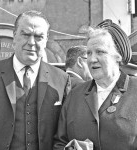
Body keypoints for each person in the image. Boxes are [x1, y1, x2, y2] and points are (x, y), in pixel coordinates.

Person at [0, 10, 71, 150]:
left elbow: (64, 133)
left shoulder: (61, 79)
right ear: (14, 36)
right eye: (25, 34)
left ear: (45, 40)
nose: (31, 42)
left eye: (38, 37)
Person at [53, 19, 137, 150]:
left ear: (118, 56)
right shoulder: (75, 95)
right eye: (89, 53)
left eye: (100, 52)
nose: (92, 59)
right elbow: (60, 142)